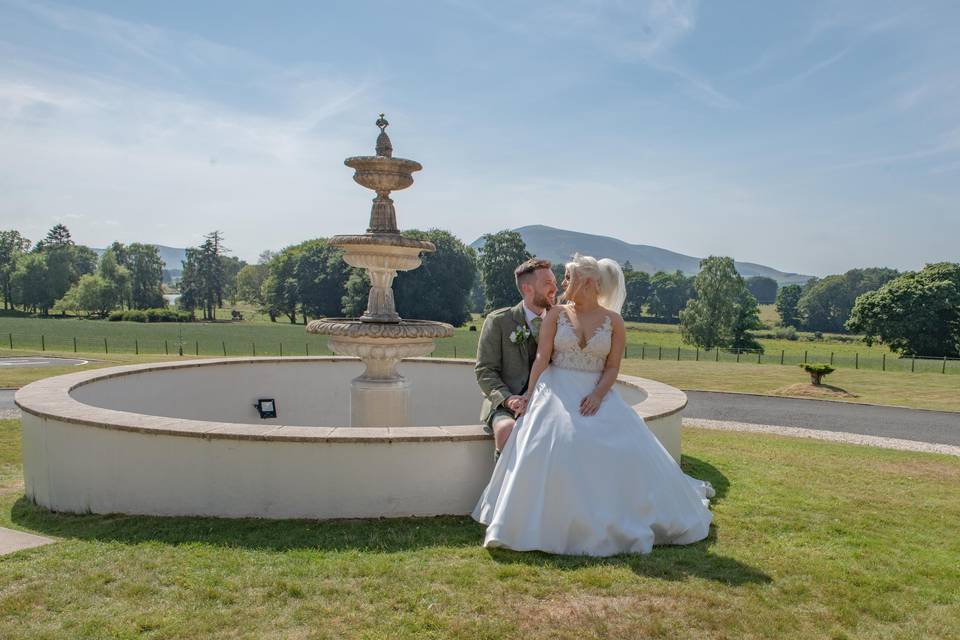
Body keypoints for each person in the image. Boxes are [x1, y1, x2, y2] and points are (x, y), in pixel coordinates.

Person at [473, 254, 714, 556]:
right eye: (555, 280)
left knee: (622, 446)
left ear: (586, 282)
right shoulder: (555, 314)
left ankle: (608, 518)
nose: (561, 284)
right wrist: (530, 394)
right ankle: (529, 516)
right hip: (555, 391)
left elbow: (612, 367)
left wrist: (599, 394)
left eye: (566, 278)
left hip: (595, 393)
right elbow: (541, 358)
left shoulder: (614, 322)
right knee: (555, 441)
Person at [475, 258, 558, 456]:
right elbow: (485, 371)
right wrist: (508, 399)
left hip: (550, 403)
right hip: (506, 405)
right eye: (548, 284)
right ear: (528, 288)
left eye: (555, 283)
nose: (555, 289)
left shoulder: (563, 322)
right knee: (507, 429)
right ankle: (503, 486)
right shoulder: (499, 321)